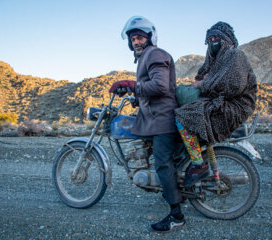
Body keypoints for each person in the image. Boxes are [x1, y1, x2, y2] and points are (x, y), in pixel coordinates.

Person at [109, 16, 185, 232]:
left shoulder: (154, 54)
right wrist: (136, 98)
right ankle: (172, 191)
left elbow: (160, 86)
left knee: (163, 163)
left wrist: (134, 87)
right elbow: (150, 88)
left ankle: (176, 216)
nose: (136, 42)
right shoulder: (145, 57)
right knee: (157, 158)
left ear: (150, 38)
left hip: (162, 119)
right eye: (133, 39)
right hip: (155, 118)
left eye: (140, 37)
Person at [175, 21, 257, 187]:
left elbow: (232, 85)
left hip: (234, 107)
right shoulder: (213, 60)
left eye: (217, 37)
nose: (213, 41)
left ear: (226, 39)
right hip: (220, 102)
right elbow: (200, 78)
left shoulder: (235, 55)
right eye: (210, 39)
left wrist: (204, 84)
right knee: (186, 109)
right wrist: (200, 83)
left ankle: (198, 165)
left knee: (181, 117)